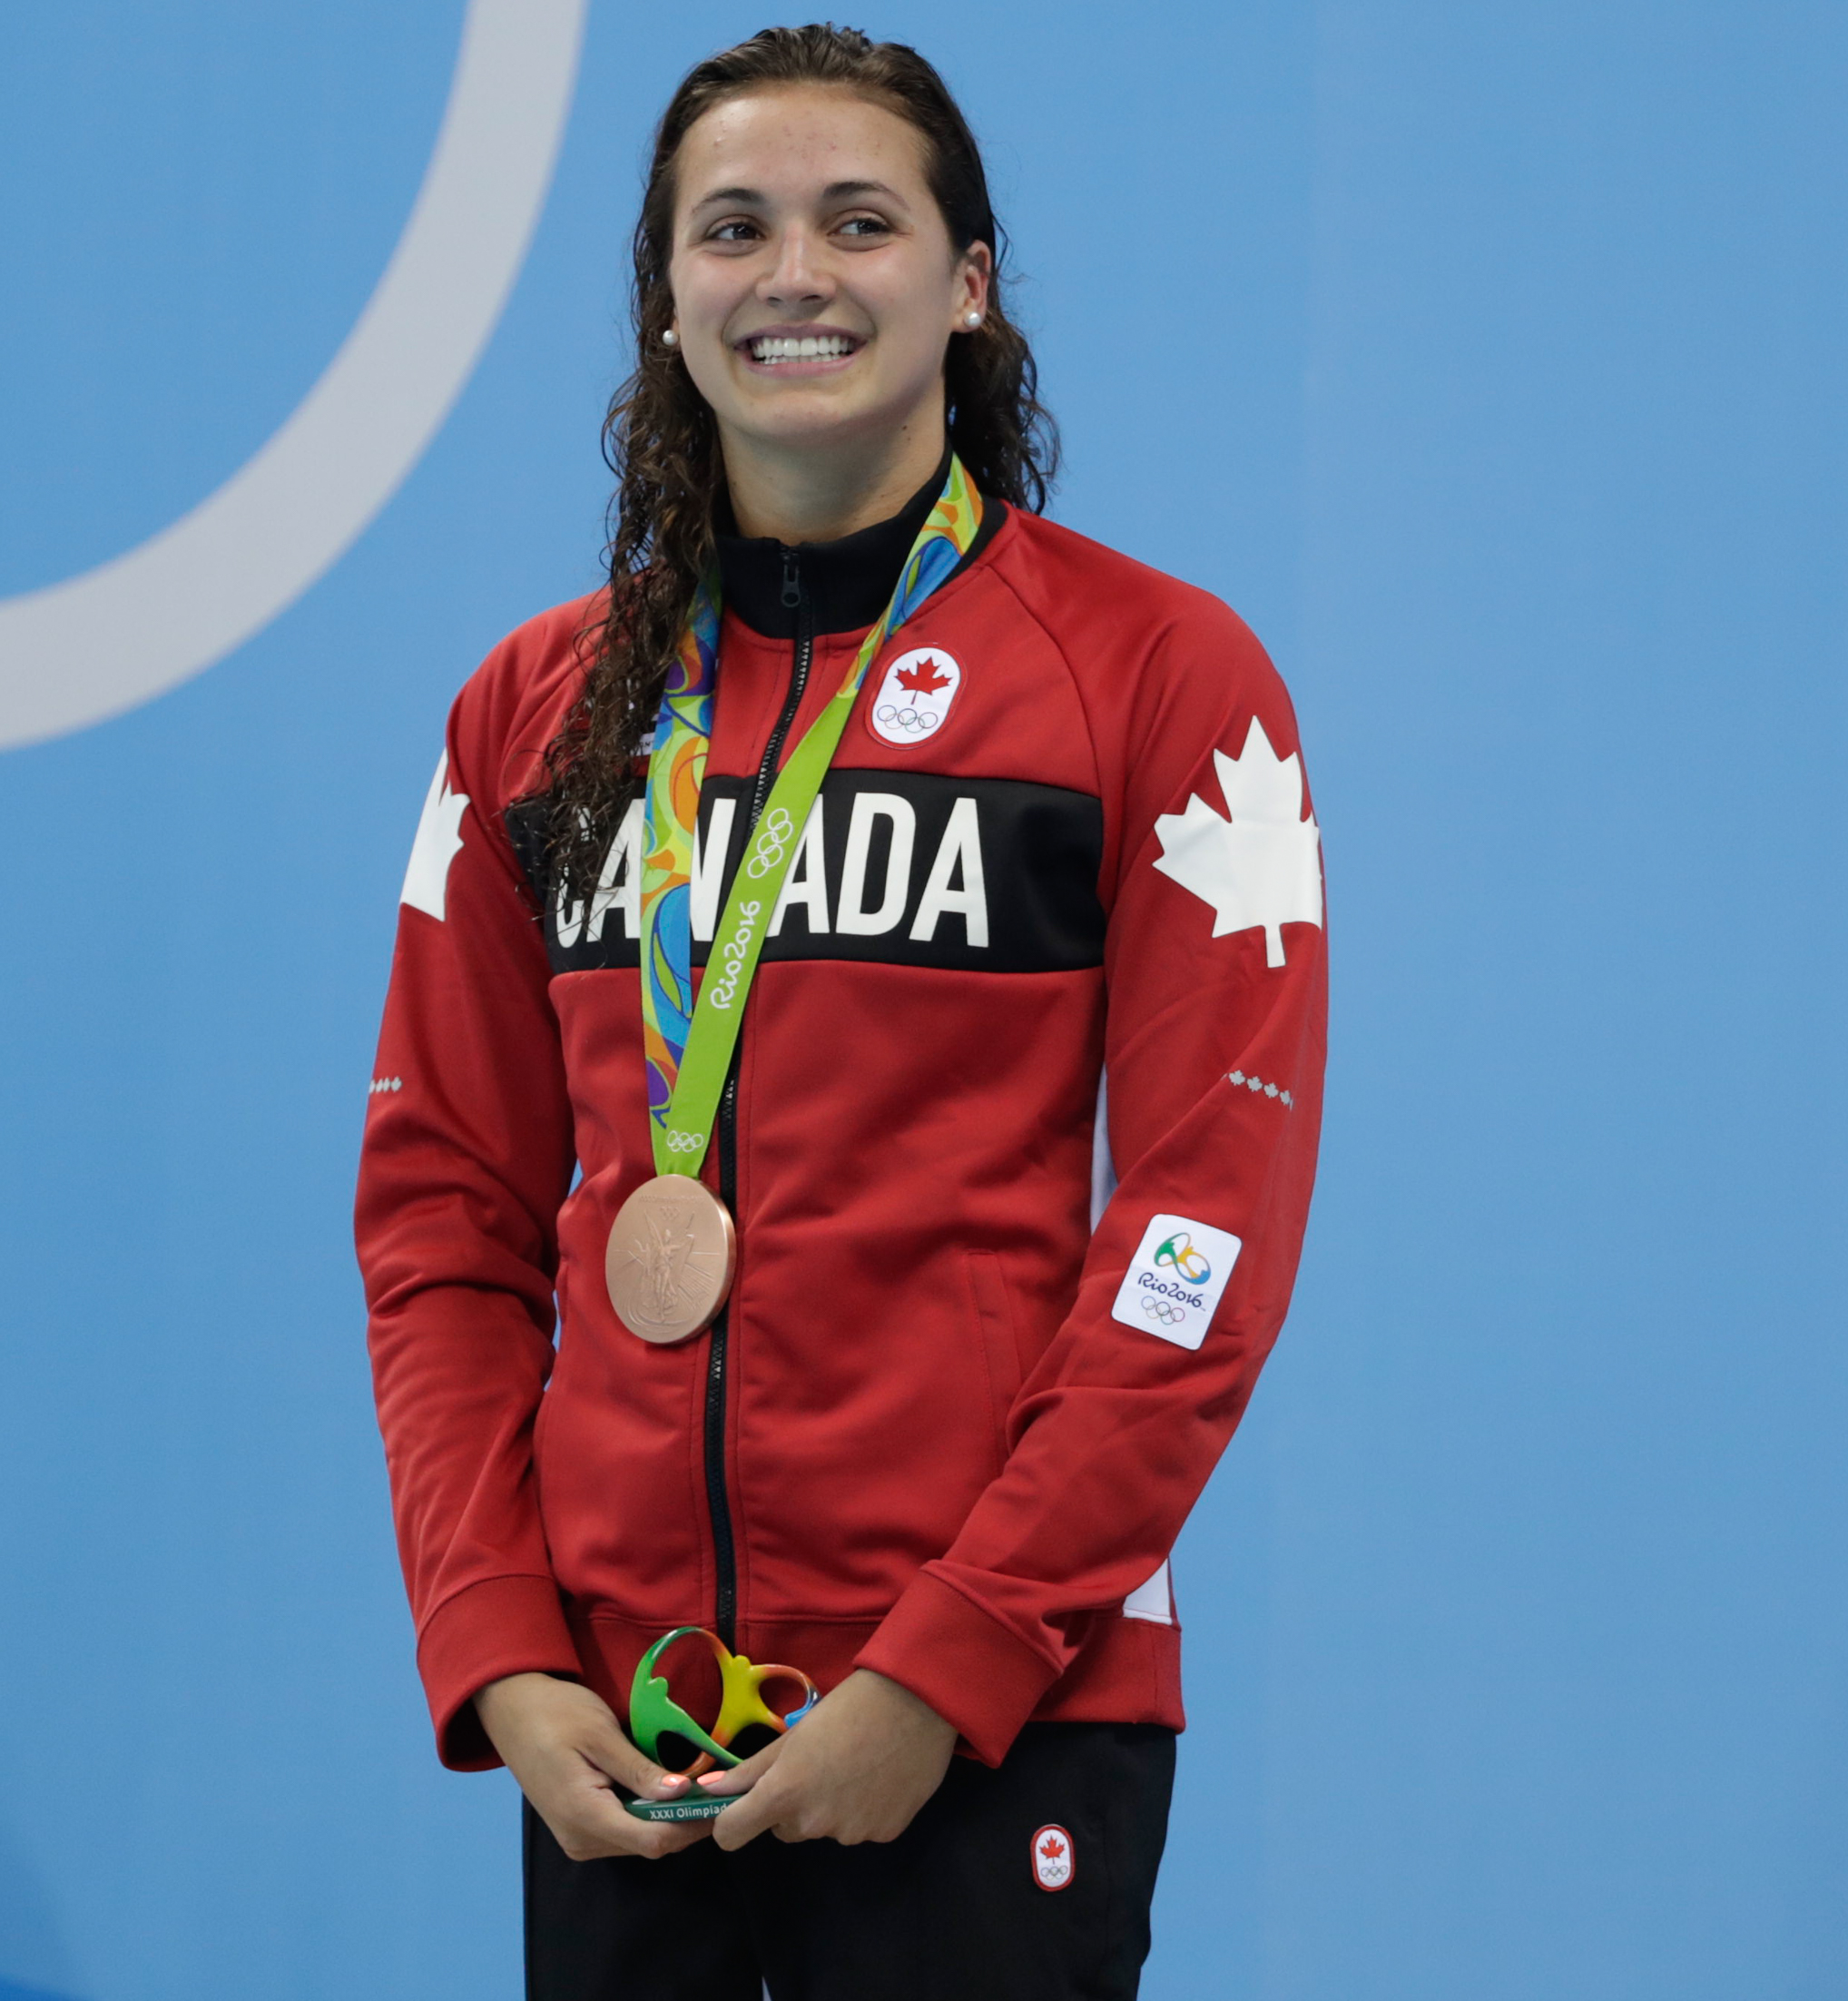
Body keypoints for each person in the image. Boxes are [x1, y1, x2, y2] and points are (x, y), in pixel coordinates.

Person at [358, 25, 1325, 1998]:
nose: (793, 272)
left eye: (859, 220)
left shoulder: (1157, 678)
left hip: (998, 1709)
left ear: (969, 285)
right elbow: (440, 1222)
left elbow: (1198, 1235)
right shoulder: (535, 715)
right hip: (628, 1732)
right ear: (668, 301)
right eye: (733, 228)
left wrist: (949, 1661)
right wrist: (503, 1650)